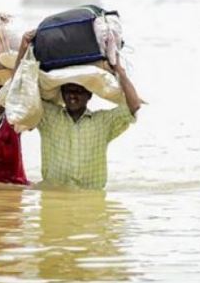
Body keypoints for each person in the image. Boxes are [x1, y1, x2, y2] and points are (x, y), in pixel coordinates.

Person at [15, 30, 141, 190]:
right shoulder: (48, 116)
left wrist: (118, 69)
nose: (73, 96)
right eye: (68, 90)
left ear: (89, 95)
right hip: (55, 199)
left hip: (90, 200)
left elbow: (133, 106)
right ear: (62, 93)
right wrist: (23, 48)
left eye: (79, 91)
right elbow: (20, 93)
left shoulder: (103, 122)